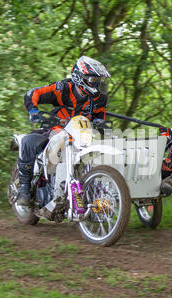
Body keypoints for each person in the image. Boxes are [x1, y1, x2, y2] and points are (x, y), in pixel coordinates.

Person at [17, 56, 111, 206]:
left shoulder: (100, 99)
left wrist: (100, 124)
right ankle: (24, 190)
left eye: (99, 80)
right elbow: (33, 94)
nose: (97, 84)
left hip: (82, 136)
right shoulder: (64, 88)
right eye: (93, 80)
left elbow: (100, 119)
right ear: (80, 77)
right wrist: (34, 111)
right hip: (56, 129)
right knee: (29, 141)